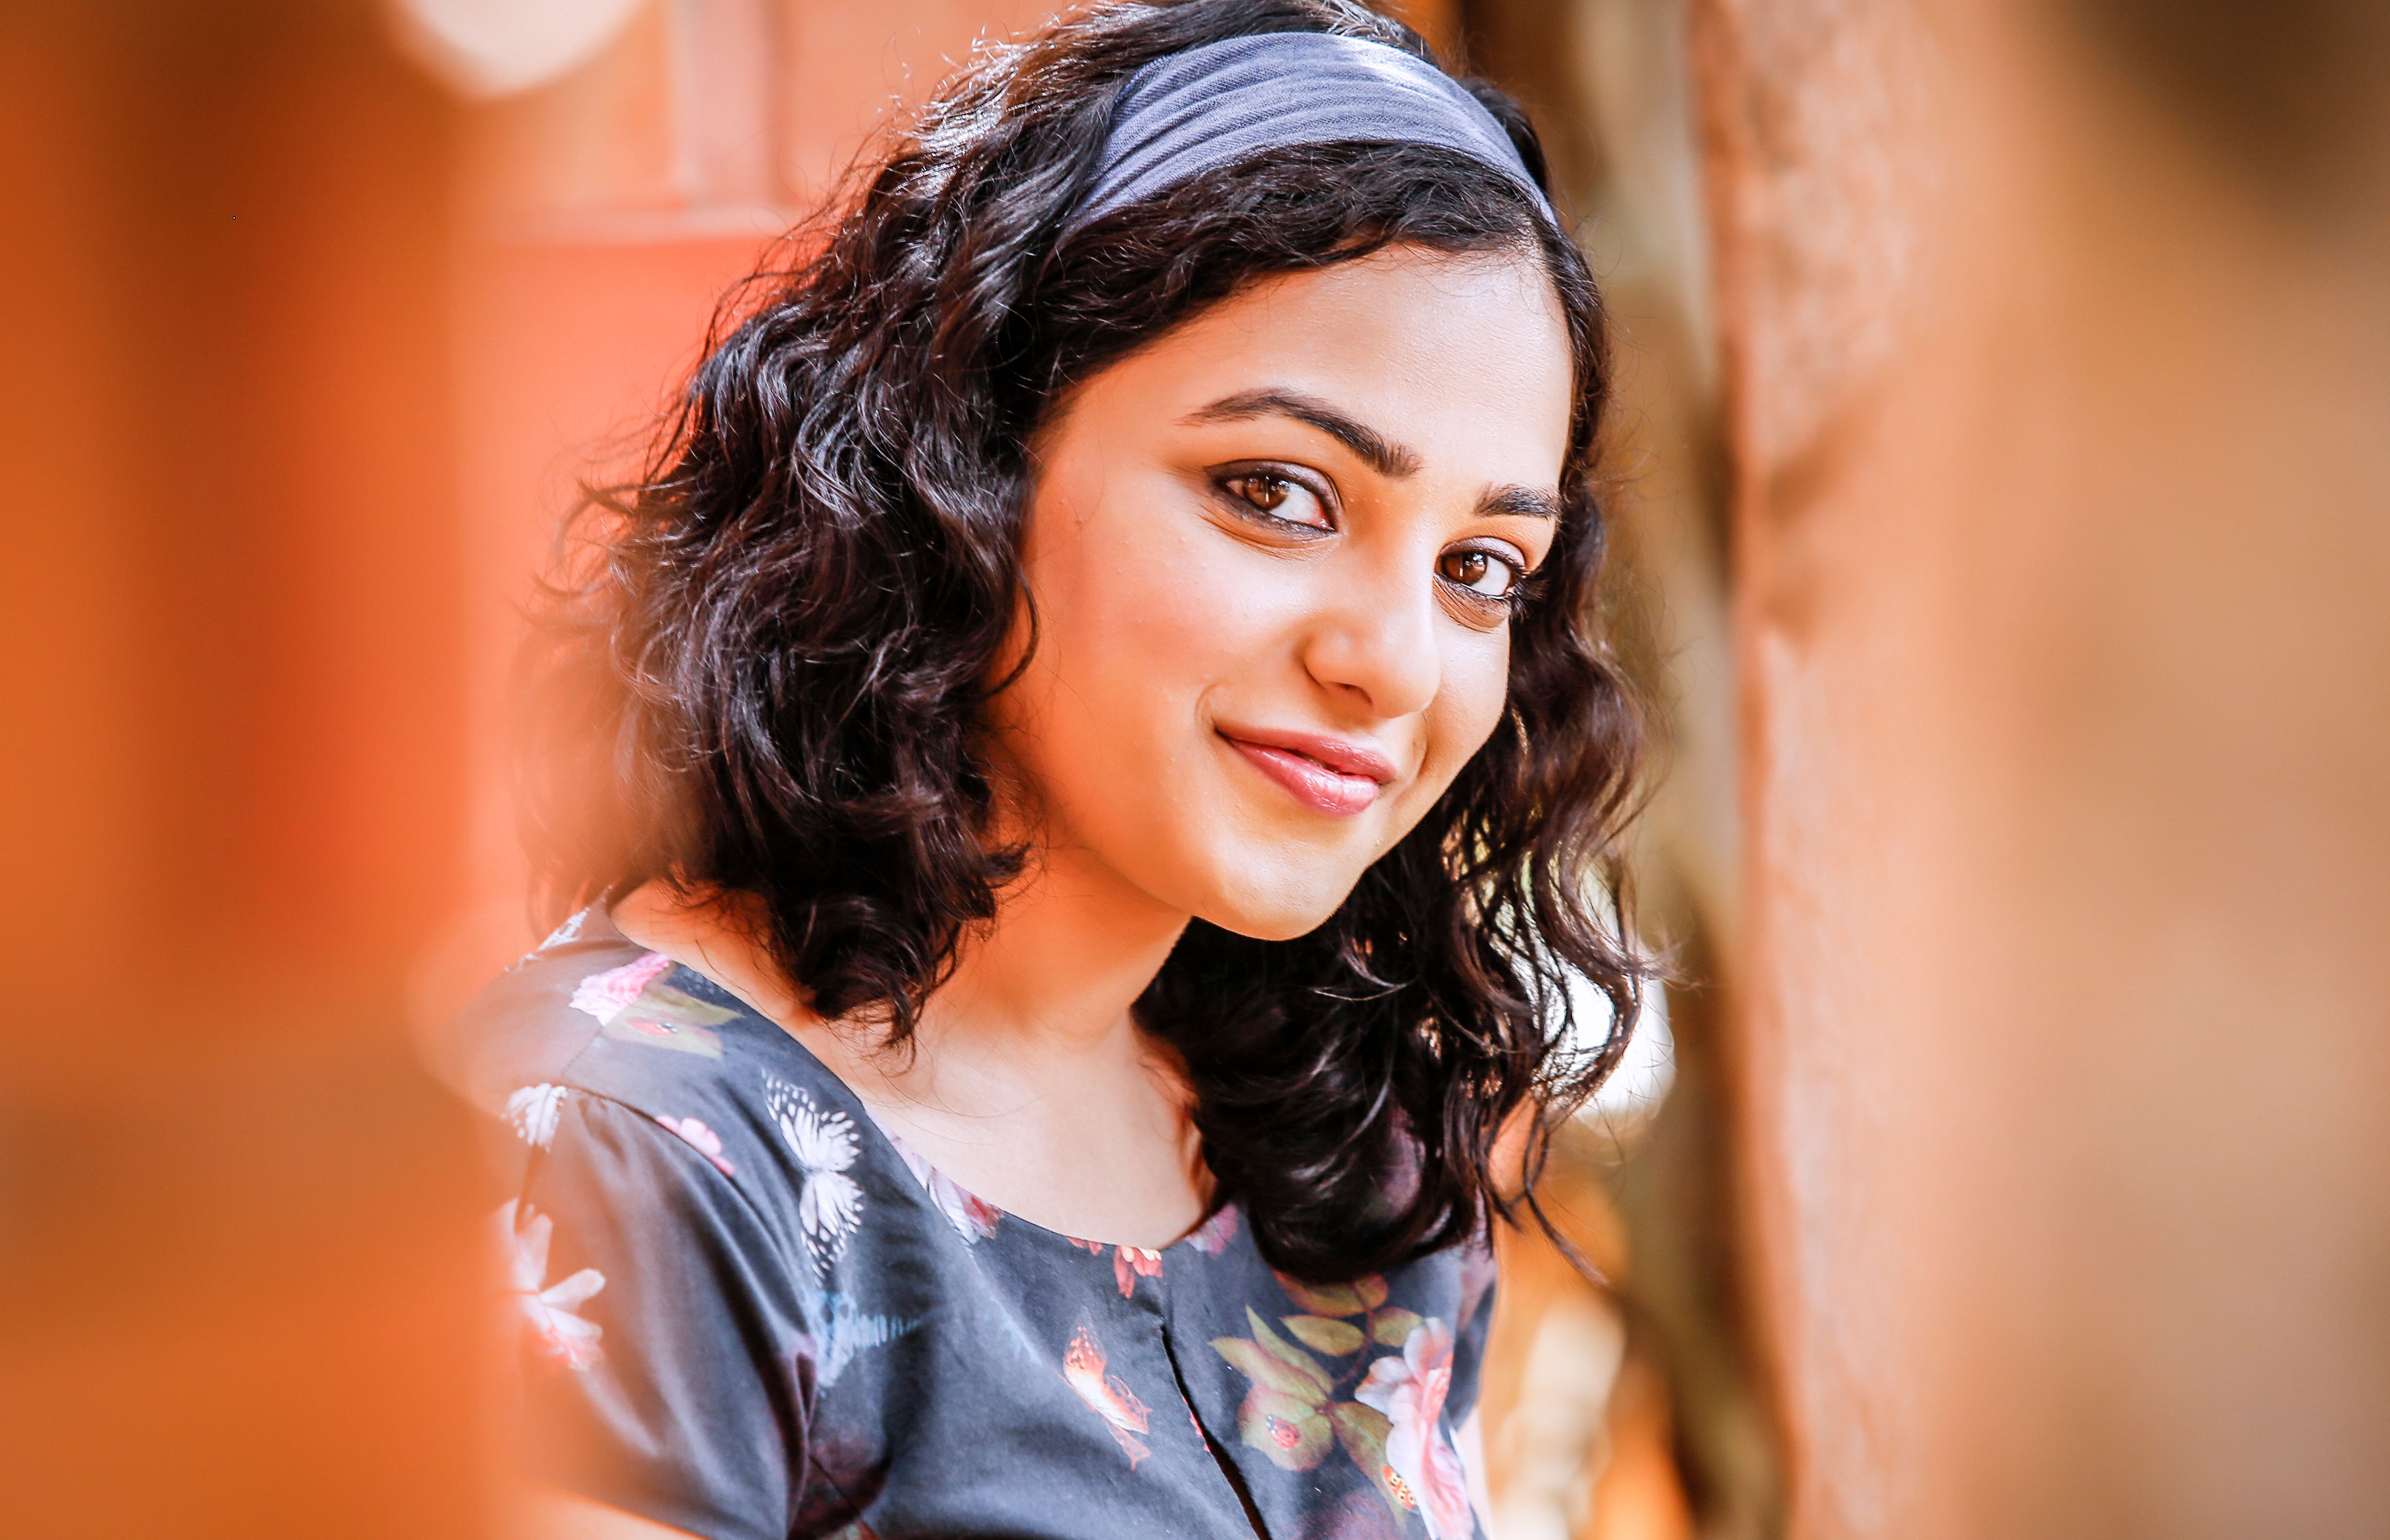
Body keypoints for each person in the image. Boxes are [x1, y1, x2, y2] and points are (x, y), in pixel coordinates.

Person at [443, 2, 1650, 1536]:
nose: (1398, 663)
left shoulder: (1351, 1154)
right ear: (968, 465)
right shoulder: (633, 1157)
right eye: (1277, 492)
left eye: (1483, 566)